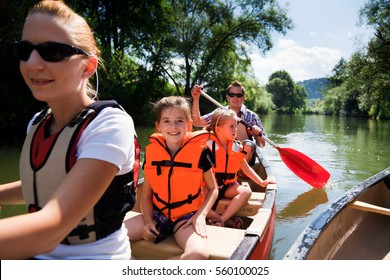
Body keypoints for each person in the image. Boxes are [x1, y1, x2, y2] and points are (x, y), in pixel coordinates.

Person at [0, 0, 138, 259]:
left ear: (88, 66)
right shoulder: (37, 122)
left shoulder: (110, 125)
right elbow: (43, 183)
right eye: (25, 50)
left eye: (53, 52)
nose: (33, 63)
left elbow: (51, 229)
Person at [125, 96, 218, 260]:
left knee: (199, 255)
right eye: (166, 121)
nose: (173, 126)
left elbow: (213, 189)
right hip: (157, 213)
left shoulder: (201, 153)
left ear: (189, 124)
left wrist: (201, 215)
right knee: (106, 238)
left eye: (179, 121)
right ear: (158, 126)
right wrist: (148, 221)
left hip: (186, 217)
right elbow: (146, 195)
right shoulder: (153, 153)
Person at [203, 108, 276, 229]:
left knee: (246, 192)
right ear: (218, 129)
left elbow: (246, 169)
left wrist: (262, 182)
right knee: (195, 201)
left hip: (228, 186)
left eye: (236, 126)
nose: (235, 130)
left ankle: (222, 219)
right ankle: (224, 220)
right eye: (231, 126)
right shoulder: (208, 146)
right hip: (209, 187)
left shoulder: (236, 146)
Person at [191, 81, 265, 165]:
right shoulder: (219, 113)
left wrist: (257, 135)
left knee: (249, 145)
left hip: (243, 159)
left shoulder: (252, 116)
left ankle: (239, 173)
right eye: (232, 95)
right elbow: (197, 123)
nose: (235, 98)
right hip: (222, 154)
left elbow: (262, 144)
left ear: (244, 97)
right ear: (227, 97)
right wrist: (196, 99)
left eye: (239, 95)